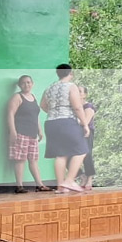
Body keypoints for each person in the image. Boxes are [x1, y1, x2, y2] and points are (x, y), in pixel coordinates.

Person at [40, 64, 90, 193]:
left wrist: (54, 112)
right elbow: (77, 107)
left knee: (60, 154)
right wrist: (85, 124)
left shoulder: (50, 88)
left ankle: (60, 186)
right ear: (70, 73)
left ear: (58, 74)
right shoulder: (71, 86)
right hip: (66, 122)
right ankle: (69, 180)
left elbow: (43, 105)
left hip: (51, 123)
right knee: (82, 150)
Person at [7, 75, 53, 193]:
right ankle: (19, 186)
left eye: (28, 82)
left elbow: (35, 116)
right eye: (23, 83)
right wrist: (13, 131)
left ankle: (40, 185)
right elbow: (10, 114)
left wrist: (40, 130)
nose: (26, 85)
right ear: (19, 85)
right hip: (20, 133)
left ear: (32, 84)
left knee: (33, 160)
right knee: (20, 160)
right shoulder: (17, 97)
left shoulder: (33, 97)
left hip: (32, 135)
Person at [77, 86, 97, 191]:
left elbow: (85, 121)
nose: (78, 93)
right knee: (68, 155)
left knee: (87, 153)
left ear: (85, 94)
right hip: (74, 133)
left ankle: (89, 177)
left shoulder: (88, 107)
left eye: (80, 91)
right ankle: (81, 175)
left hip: (86, 132)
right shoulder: (73, 106)